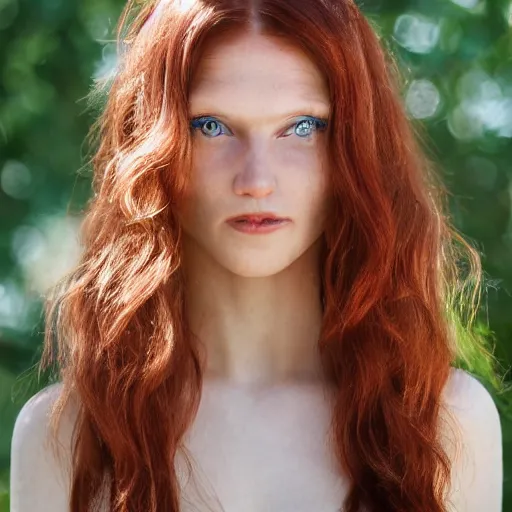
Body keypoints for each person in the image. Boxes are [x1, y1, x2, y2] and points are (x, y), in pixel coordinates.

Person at [9, 0, 505, 511]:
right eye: (211, 126)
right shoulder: (64, 441)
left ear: (358, 147)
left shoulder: (445, 426)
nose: (257, 180)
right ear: (150, 147)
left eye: (302, 128)